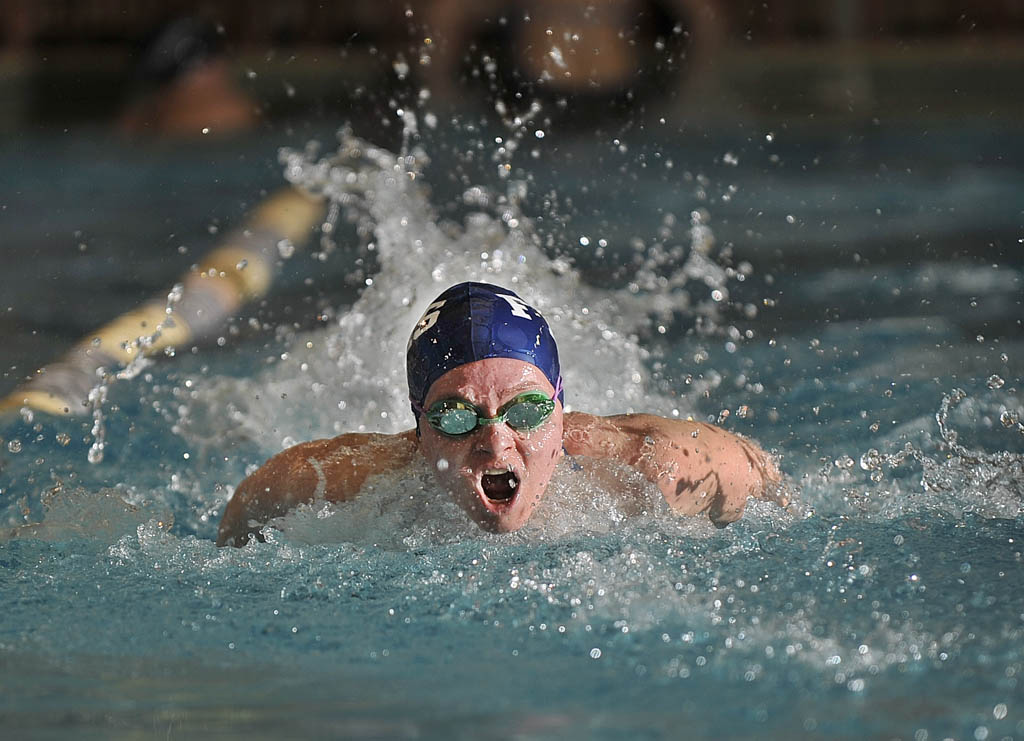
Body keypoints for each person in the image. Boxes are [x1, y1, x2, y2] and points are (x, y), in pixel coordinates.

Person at [217, 282, 785, 546]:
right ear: (418, 429)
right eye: (457, 417)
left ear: (561, 411)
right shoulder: (329, 481)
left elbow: (775, 495)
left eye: (527, 410)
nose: (496, 443)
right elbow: (237, 531)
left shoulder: (656, 467)